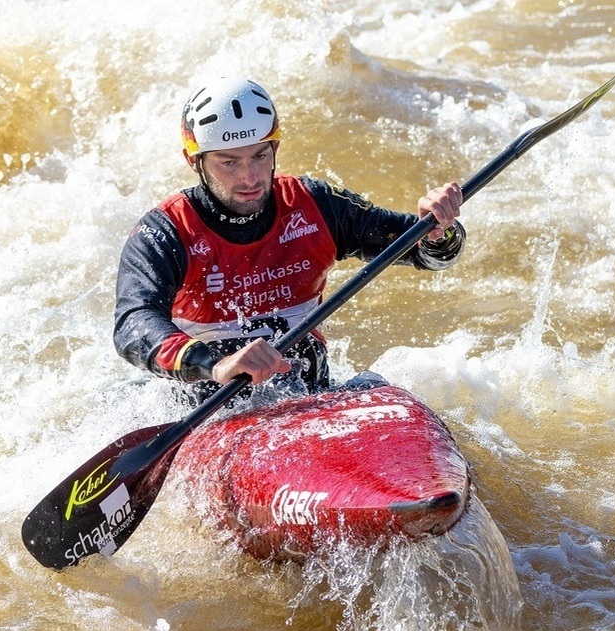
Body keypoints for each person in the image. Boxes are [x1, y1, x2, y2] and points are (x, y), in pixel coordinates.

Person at [114, 76, 466, 404]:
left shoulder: (315, 204)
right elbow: (132, 323)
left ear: (275, 147)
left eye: (260, 156)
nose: (250, 177)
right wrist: (215, 364)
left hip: (308, 396)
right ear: (194, 161)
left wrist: (439, 227)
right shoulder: (166, 232)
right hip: (208, 406)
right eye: (229, 163)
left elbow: (431, 255)